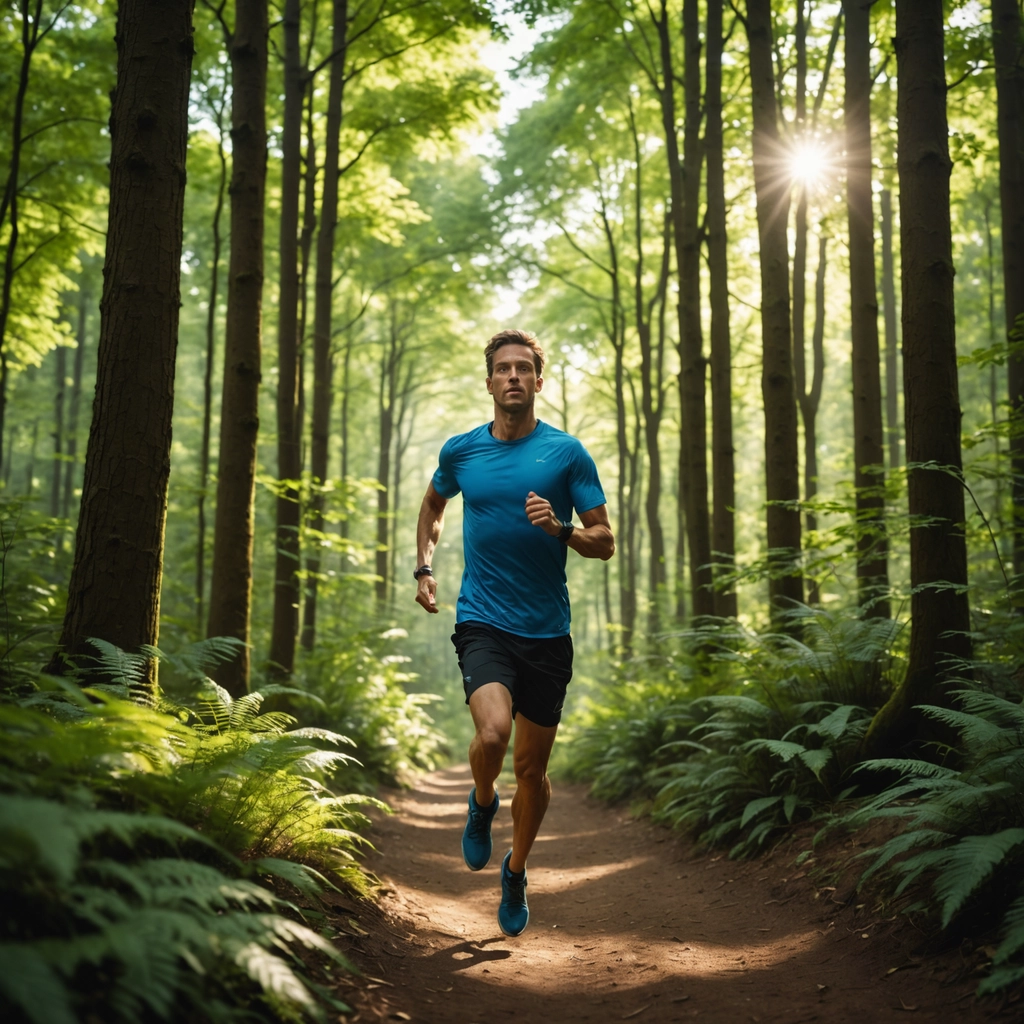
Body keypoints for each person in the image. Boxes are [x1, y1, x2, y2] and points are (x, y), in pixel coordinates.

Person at [414, 328, 614, 937]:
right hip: (483, 619)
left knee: (531, 770)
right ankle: (480, 802)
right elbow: (432, 507)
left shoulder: (567, 454)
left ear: (538, 381)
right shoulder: (462, 452)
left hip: (548, 632)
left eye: (524, 368)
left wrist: (560, 529)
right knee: (494, 734)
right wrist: (424, 566)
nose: (513, 378)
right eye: (502, 369)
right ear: (489, 380)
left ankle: (517, 869)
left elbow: (604, 543)